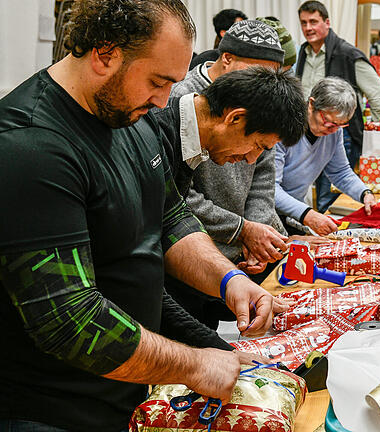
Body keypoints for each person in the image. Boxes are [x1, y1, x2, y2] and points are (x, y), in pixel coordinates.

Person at [0, 0, 276, 430]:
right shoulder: (30, 147)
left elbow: (170, 216)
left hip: (122, 396)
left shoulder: (133, 117)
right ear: (105, 53)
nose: (166, 99)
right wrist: (195, 364)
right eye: (158, 80)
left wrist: (229, 279)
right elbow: (71, 320)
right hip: (51, 410)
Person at [159, 66, 311, 330]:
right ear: (235, 118)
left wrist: (231, 278)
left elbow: (175, 222)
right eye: (258, 147)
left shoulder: (191, 139)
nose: (251, 159)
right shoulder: (155, 131)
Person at [295, 0, 380, 213]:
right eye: (303, 23)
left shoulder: (347, 53)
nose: (308, 28)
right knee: (311, 187)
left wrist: (373, 134)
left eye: (313, 22)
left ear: (327, 22)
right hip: (305, 129)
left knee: (328, 193)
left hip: (338, 130)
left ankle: (325, 226)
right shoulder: (303, 53)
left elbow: (377, 92)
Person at [275, 77, 377, 236]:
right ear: (311, 104)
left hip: (294, 213)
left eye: (340, 125)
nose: (333, 130)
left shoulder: (334, 133)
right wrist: (308, 214)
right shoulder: (282, 128)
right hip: (268, 215)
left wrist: (364, 193)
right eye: (328, 123)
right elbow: (271, 189)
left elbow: (340, 172)